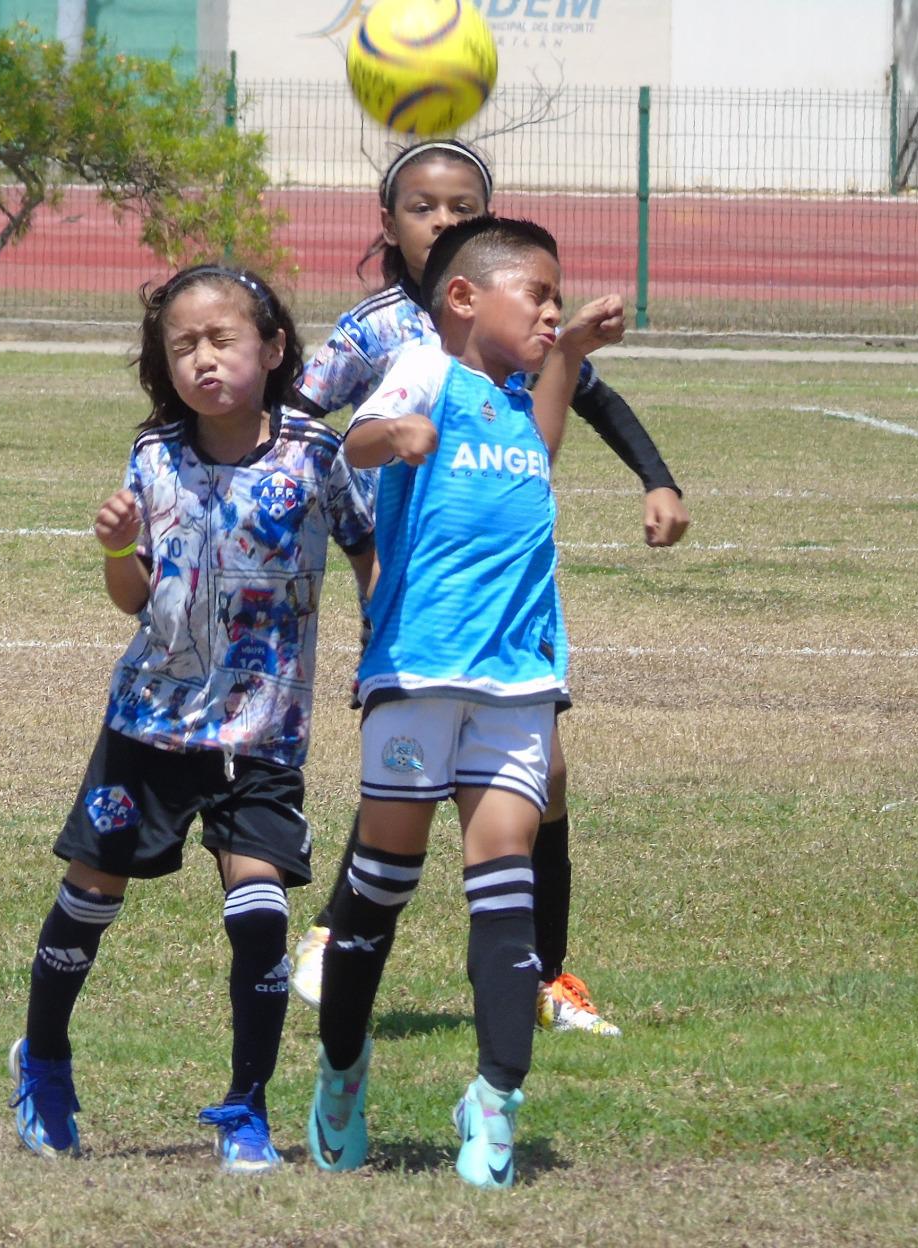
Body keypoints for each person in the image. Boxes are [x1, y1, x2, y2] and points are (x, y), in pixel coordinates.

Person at [288, 140, 690, 1036]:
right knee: (409, 788)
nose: (444, 221)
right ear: (389, 223)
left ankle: (545, 979)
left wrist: (654, 475)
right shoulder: (387, 334)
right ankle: (336, 934)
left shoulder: (522, 328)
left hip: (510, 626)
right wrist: (348, 521)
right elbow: (313, 426)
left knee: (540, 779)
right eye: (424, 207)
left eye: (462, 206)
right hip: (420, 598)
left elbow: (580, 402)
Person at [10, 263, 376, 1173]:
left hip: (263, 731)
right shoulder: (154, 458)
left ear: (274, 348)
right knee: (92, 896)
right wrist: (116, 546)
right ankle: (44, 1061)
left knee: (259, 916)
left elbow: (369, 551)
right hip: (150, 727)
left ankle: (246, 1108)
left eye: (222, 340)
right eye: (183, 346)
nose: (203, 359)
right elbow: (134, 598)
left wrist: (381, 650)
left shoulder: (315, 454)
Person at [307, 215, 624, 1189]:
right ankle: (344, 1069)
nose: (550, 307)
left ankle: (493, 1100)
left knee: (504, 894)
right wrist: (385, 435)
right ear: (462, 298)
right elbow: (353, 444)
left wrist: (566, 350)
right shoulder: (424, 371)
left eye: (556, 297)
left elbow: (544, 443)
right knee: (381, 888)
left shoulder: (516, 404)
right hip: (421, 674)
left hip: (519, 685)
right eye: (537, 293)